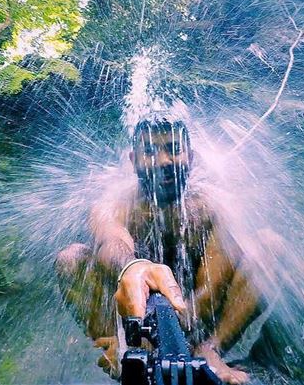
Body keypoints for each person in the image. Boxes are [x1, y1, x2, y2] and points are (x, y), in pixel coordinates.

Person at [55, 115, 261, 384]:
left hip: (197, 316)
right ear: (133, 160)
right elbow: (109, 242)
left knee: (268, 247)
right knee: (70, 258)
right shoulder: (115, 204)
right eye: (150, 151)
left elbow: (211, 288)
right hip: (131, 315)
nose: (163, 161)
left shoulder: (211, 205)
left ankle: (210, 349)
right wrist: (132, 267)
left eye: (174, 149)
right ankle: (122, 349)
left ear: (191, 156)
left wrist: (180, 322)